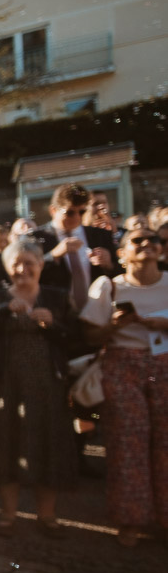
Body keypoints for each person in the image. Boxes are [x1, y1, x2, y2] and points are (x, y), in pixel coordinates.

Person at [0, 240, 79, 535]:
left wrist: (54, 324)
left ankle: (47, 515)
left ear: (42, 265)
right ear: (6, 266)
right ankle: (8, 514)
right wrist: (1, 312)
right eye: (16, 262)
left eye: (30, 262)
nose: (22, 269)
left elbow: (79, 338)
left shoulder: (57, 297)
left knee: (49, 446)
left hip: (47, 386)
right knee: (5, 446)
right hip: (3, 386)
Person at [80, 229, 168, 546]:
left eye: (154, 240)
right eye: (137, 241)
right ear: (121, 254)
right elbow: (89, 337)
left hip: (166, 364)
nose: (147, 244)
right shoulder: (109, 286)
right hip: (122, 366)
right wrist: (113, 326)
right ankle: (131, 519)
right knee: (127, 443)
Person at [31, 182, 119, 310]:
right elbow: (27, 274)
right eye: (70, 213)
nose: (77, 217)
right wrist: (54, 255)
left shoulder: (100, 235)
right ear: (53, 210)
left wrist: (109, 265)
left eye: (82, 212)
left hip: (98, 310)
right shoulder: (36, 238)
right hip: (56, 310)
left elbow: (121, 273)